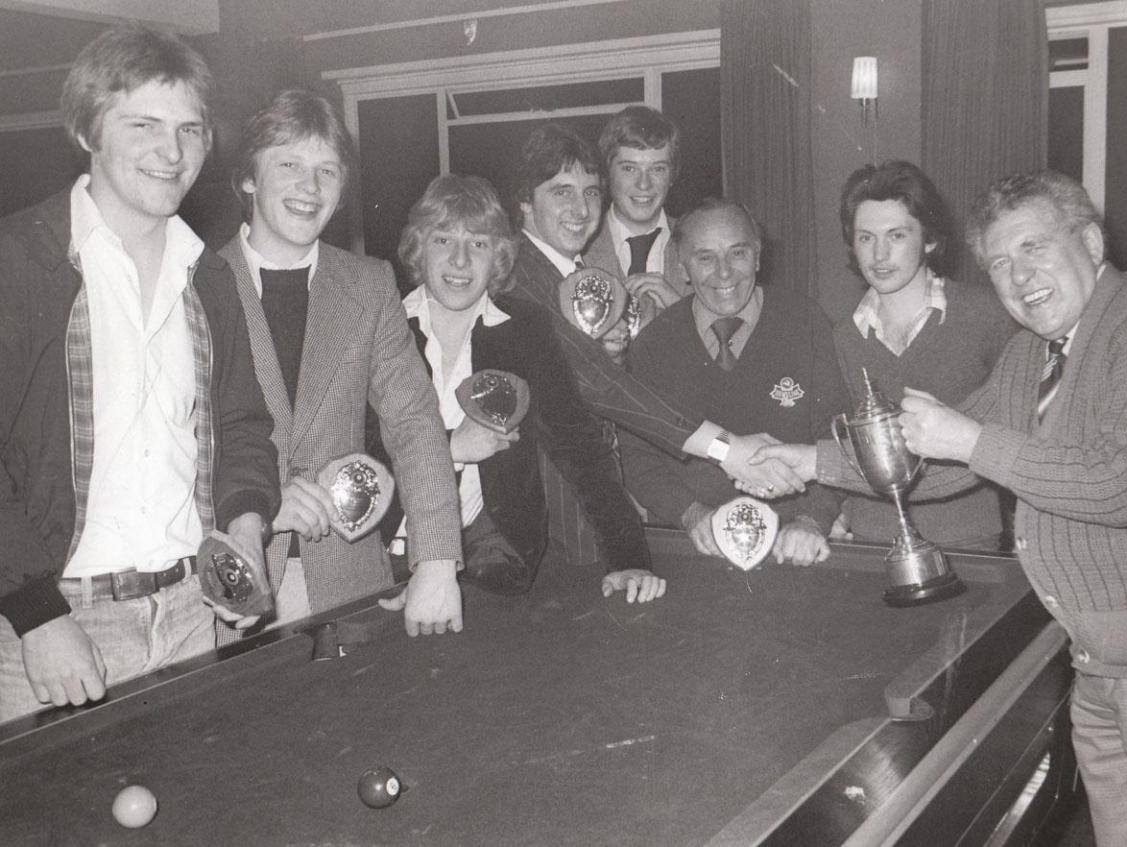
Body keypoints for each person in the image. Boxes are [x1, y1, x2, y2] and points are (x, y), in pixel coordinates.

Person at [754, 170, 1127, 846]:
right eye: (999, 263)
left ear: (1089, 239)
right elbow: (933, 466)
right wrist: (810, 458)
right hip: (1095, 659)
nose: (1018, 277)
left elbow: (1121, 483)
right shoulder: (1033, 354)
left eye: (1034, 248)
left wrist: (968, 438)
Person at [0, 24, 280, 722]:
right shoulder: (18, 263)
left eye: (191, 129)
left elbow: (244, 426)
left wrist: (244, 532)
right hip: (55, 630)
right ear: (86, 129)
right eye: (145, 125)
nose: (172, 151)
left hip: (191, 615)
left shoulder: (210, 276)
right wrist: (36, 614)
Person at [222, 90, 463, 637]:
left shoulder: (368, 283)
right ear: (248, 179)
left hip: (350, 579)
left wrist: (437, 561)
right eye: (290, 165)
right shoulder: (195, 283)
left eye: (327, 171)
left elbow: (415, 424)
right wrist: (258, 504)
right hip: (234, 587)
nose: (311, 188)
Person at [505, 122, 798, 568]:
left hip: (601, 501)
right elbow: (602, 389)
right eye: (561, 191)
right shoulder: (522, 276)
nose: (581, 208)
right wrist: (727, 449)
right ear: (525, 200)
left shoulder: (570, 273)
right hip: (553, 514)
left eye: (590, 192)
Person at [393, 173, 665, 603]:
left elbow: (580, 448)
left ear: (499, 255)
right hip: (387, 556)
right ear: (417, 247)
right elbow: (360, 449)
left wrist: (628, 558)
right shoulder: (382, 324)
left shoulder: (524, 330)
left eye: (479, 243)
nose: (461, 261)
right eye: (443, 240)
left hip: (490, 564)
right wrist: (450, 448)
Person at [620, 198, 847, 564]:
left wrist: (812, 520)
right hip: (694, 544)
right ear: (682, 268)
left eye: (737, 253)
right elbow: (638, 459)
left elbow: (838, 437)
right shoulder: (653, 344)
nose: (724, 273)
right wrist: (691, 514)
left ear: (758, 256)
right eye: (705, 258)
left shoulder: (805, 322)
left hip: (793, 545)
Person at [831, 160, 1016, 549]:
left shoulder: (988, 315)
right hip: (872, 538)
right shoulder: (844, 336)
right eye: (866, 238)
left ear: (929, 239)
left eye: (896, 235)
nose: (879, 254)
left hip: (969, 538)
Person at [582, 106, 690, 325]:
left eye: (657, 169)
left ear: (672, 175)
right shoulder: (578, 247)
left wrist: (681, 314)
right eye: (629, 169)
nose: (644, 184)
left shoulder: (697, 245)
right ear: (606, 172)